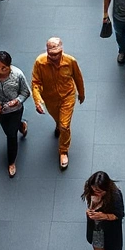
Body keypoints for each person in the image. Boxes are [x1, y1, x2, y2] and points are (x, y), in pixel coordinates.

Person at [31, 37, 85, 169]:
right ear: (47, 51)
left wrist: (81, 93)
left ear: (62, 50)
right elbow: (36, 82)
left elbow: (78, 77)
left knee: (65, 126)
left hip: (67, 96)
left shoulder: (70, 61)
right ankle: (58, 125)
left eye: (57, 54)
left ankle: (63, 150)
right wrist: (37, 100)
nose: (54, 57)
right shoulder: (40, 62)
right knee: (57, 118)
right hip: (49, 97)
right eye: (51, 54)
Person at [0, 51, 30, 177]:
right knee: (7, 129)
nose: (1, 71)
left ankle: (11, 161)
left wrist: (16, 101)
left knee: (11, 135)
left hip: (15, 110)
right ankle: (21, 125)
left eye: (4, 68)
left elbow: (25, 92)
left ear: (9, 65)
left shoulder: (18, 75)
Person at [82, 171, 125, 250]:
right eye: (94, 190)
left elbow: (119, 215)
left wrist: (104, 216)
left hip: (109, 229)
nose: (96, 193)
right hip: (97, 229)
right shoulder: (91, 189)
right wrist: (90, 210)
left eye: (99, 191)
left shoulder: (115, 196)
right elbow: (91, 205)